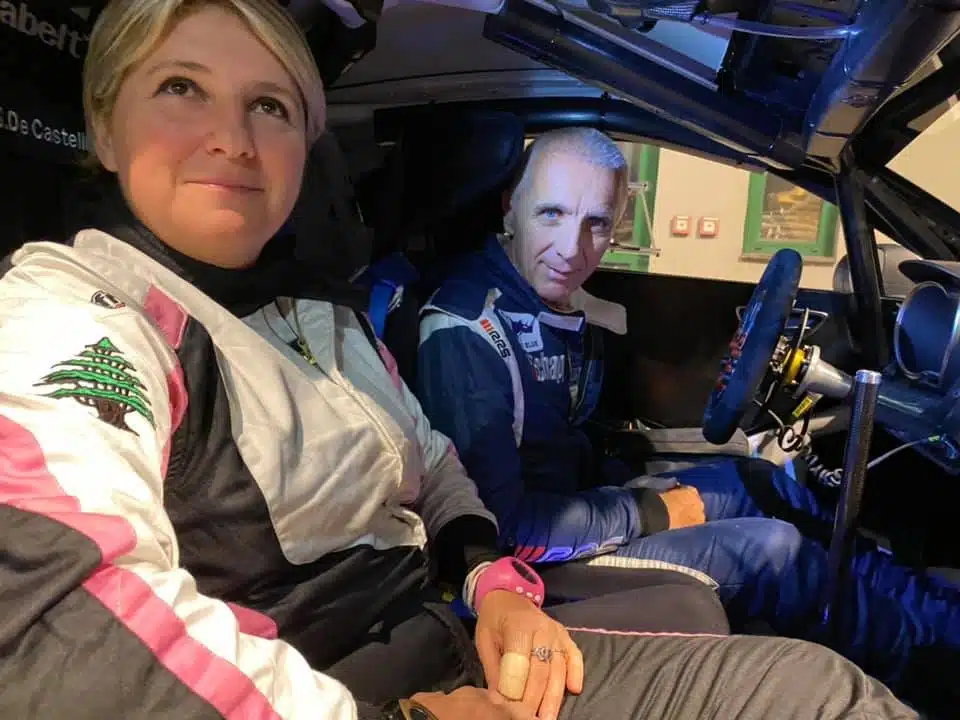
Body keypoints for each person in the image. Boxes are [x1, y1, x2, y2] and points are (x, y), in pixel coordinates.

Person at [0, 2, 920, 719]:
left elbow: (438, 468)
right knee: (774, 566)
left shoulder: (324, 316)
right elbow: (64, 619)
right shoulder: (77, 311)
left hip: (457, 633)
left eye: (269, 107)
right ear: (104, 128)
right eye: (180, 88)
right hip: (333, 688)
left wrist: (495, 586)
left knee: (822, 688)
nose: (233, 139)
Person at [415, 126, 960, 695]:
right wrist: (654, 511)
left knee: (758, 480)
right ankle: (933, 667)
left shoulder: (550, 297)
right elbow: (502, 529)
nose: (572, 250)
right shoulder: (467, 332)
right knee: (776, 551)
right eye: (551, 214)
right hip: (532, 562)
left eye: (596, 222)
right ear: (511, 205)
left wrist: (644, 495)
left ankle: (928, 607)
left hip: (584, 500)